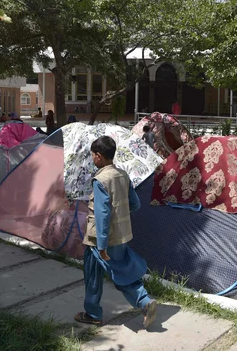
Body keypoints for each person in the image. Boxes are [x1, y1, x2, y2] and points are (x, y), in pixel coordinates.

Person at [74, 136, 157, 328]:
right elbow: (135, 204)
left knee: (97, 275)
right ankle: (143, 301)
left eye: (93, 155)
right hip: (121, 235)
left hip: (100, 241)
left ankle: (95, 313)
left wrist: (102, 245)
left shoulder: (100, 179)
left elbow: (103, 215)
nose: (92, 159)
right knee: (121, 271)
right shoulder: (122, 175)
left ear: (99, 156)